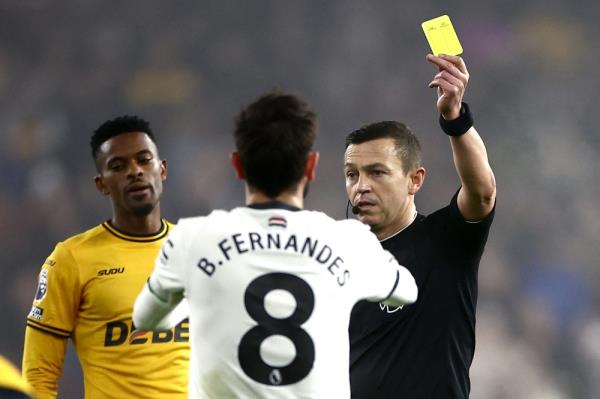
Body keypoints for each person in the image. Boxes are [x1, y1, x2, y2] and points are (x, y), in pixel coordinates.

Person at [132, 90, 418, 398]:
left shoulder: (191, 239)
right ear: (311, 166)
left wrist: (204, 301)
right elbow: (407, 292)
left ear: (237, 165)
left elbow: (145, 319)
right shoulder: (349, 241)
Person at [345, 54, 497, 398]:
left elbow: (482, 193)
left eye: (377, 172)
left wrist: (455, 119)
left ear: (415, 180)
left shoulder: (445, 242)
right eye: (352, 175)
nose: (361, 186)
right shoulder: (336, 263)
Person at [22, 116, 189, 398]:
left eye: (144, 160)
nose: (135, 171)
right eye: (118, 166)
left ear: (162, 170)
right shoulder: (71, 259)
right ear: (101, 184)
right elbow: (39, 372)